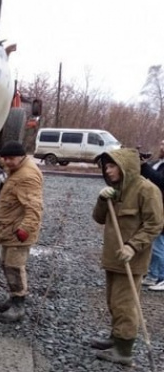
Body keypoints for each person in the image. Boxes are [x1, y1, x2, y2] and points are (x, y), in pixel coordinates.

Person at [89, 149, 163, 366]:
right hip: (113, 258)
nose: (107, 170)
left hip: (132, 259)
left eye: (112, 166)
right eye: (106, 166)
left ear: (125, 167)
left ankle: (124, 350)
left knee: (125, 304)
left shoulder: (147, 190)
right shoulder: (115, 190)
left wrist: (133, 246)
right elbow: (99, 218)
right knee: (113, 301)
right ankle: (116, 337)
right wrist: (102, 200)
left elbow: (155, 225)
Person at [0, 140, 44, 323]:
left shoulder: (27, 176)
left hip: (18, 232)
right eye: (5, 158)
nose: (7, 162)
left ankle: (18, 306)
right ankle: (13, 297)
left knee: (14, 266)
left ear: (21, 157)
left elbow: (34, 207)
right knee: (7, 264)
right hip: (11, 229)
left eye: (11, 159)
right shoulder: (17, 168)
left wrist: (25, 229)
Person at [140, 140, 164, 290]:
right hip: (153, 206)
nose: (161, 147)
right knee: (153, 243)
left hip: (162, 208)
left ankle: (160, 277)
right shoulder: (158, 163)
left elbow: (161, 180)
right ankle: (153, 275)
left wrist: (144, 166)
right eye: (161, 144)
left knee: (158, 244)